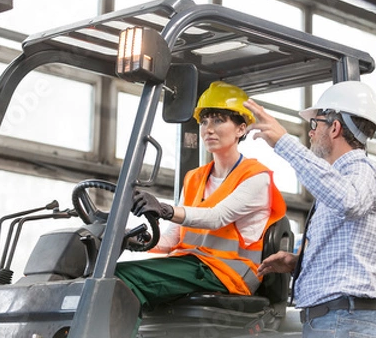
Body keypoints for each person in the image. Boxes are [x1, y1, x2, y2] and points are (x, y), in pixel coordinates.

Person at [116, 81, 287, 315]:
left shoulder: (256, 177)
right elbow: (172, 239)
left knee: (122, 279)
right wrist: (130, 239)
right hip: (193, 265)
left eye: (218, 120)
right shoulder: (195, 177)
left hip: (230, 273)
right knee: (108, 274)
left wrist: (166, 210)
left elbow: (216, 217)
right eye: (204, 121)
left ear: (241, 129)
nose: (208, 129)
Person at [243, 80, 376, 338]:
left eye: (314, 124)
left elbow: (349, 201)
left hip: (343, 321)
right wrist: (297, 264)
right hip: (337, 320)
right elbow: (347, 256)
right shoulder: (341, 181)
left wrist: (284, 143)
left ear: (335, 127)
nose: (310, 132)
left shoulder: (362, 170)